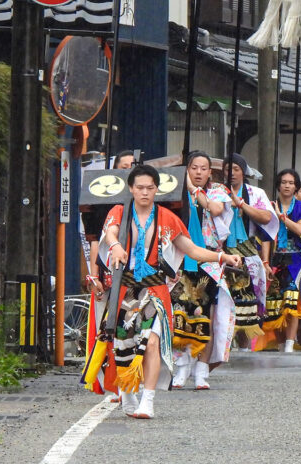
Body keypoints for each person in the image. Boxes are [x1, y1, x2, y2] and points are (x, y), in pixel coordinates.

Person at [91, 164, 240, 419]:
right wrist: (115, 246)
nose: (145, 192)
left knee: (152, 341)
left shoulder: (167, 218)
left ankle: (148, 401)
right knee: (123, 345)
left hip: (155, 289)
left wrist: (222, 256)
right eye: (140, 188)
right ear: (131, 189)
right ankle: (128, 393)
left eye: (150, 188)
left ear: (157, 189)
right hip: (124, 288)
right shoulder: (119, 211)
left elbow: (192, 250)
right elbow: (110, 233)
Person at [171, 151, 234, 391]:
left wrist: (195, 191)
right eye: (193, 168)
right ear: (187, 169)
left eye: (203, 168)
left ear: (210, 172)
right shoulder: (175, 189)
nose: (198, 172)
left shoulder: (217, 190)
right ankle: (182, 366)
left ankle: (202, 370)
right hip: (180, 259)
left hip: (208, 259)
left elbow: (215, 209)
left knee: (207, 315)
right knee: (180, 314)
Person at [82, 150, 135, 401]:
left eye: (132, 166)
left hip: (135, 276)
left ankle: (129, 382)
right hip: (107, 270)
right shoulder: (101, 196)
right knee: (106, 330)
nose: (127, 170)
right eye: (122, 166)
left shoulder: (144, 202)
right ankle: (109, 384)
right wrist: (95, 277)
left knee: (131, 330)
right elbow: (95, 240)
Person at [262, 169, 301, 352]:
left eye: (291, 183)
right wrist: (265, 262)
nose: (287, 186)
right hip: (276, 258)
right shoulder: (269, 206)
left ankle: (290, 342)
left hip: (297, 258)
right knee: (275, 301)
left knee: (293, 300)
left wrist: (282, 218)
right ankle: (280, 341)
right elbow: (266, 236)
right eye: (284, 182)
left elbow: (299, 229)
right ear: (278, 185)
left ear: (296, 187)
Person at [220, 154, 278, 353]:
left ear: (243, 171)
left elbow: (267, 217)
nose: (232, 173)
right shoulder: (216, 192)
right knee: (222, 302)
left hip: (248, 252)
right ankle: (222, 348)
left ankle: (244, 350)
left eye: (236, 169)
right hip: (221, 253)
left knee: (247, 304)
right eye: (228, 169)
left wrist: (242, 205)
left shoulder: (256, 193)